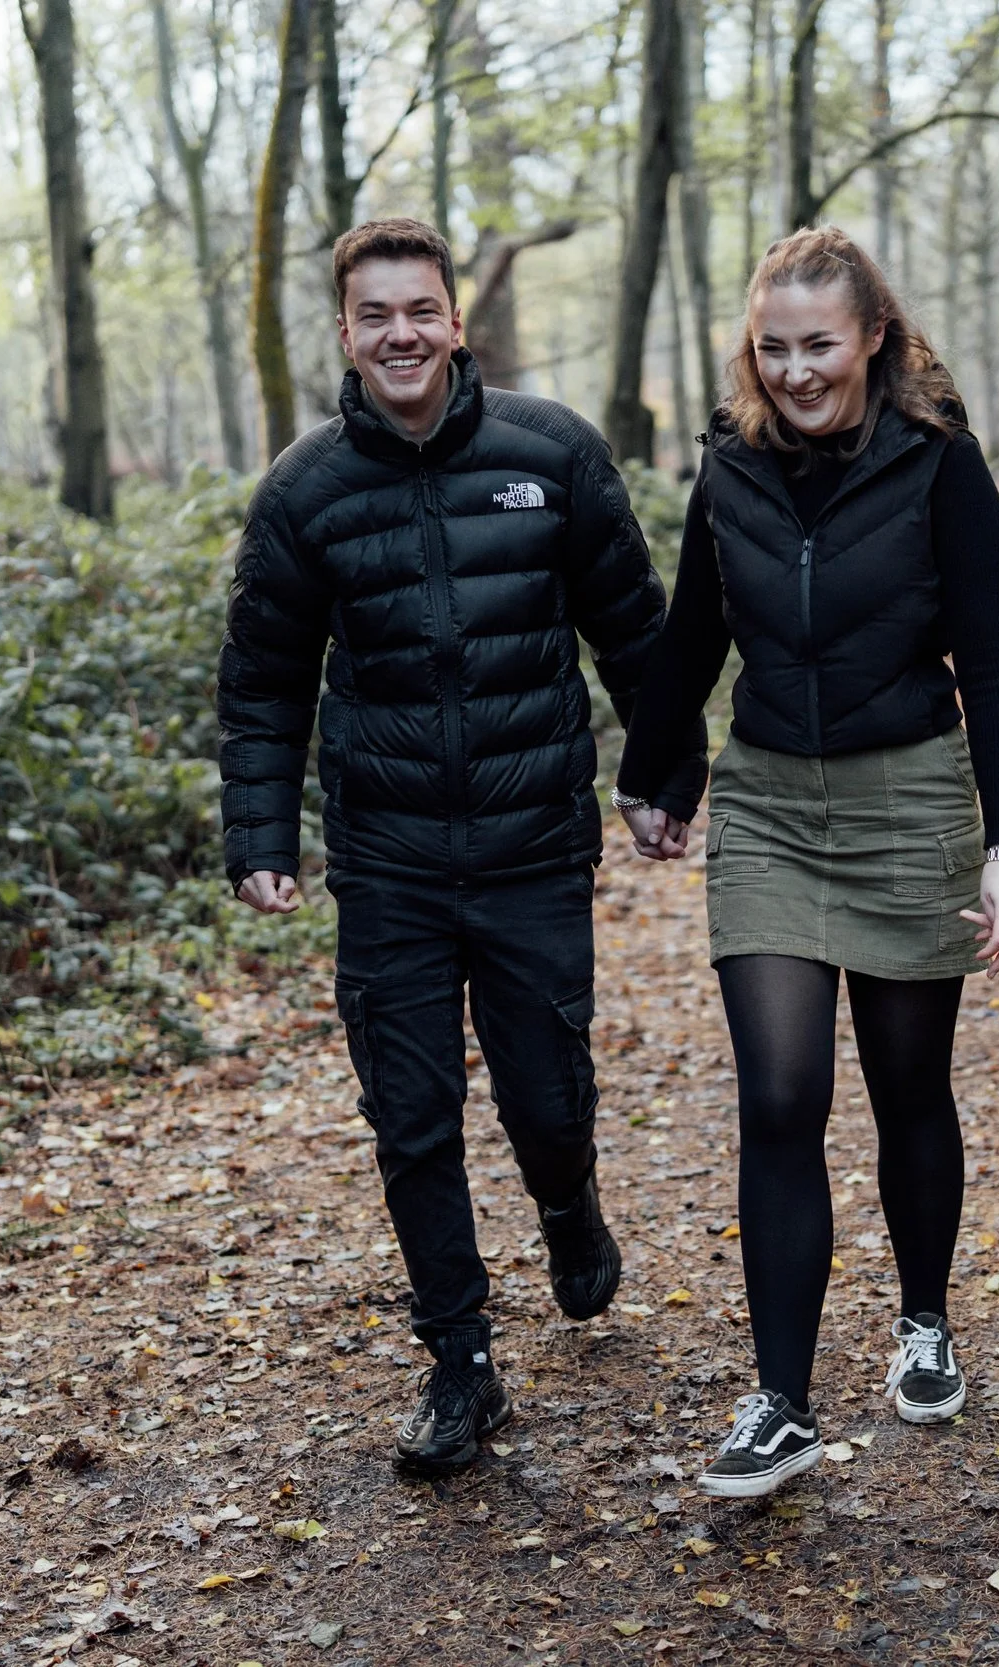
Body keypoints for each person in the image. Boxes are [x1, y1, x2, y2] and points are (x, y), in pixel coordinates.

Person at [216, 218, 668, 1474]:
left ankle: (569, 1205)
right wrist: (260, 828)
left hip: (531, 848)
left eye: (421, 311)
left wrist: (658, 774)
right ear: (346, 335)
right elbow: (262, 681)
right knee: (410, 1113)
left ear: (455, 321)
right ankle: (459, 1362)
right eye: (376, 316)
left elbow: (636, 632)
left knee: (543, 1095)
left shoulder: (553, 454)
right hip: (391, 863)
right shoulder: (306, 491)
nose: (400, 334)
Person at [613, 226, 999, 1500]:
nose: (796, 370)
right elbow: (691, 636)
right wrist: (655, 772)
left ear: (871, 341)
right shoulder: (729, 467)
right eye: (774, 346)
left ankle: (923, 1321)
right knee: (780, 1094)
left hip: (910, 799)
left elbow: (994, 665)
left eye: (820, 344)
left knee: (909, 1086)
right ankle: (781, 1400)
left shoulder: (936, 466)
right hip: (772, 811)